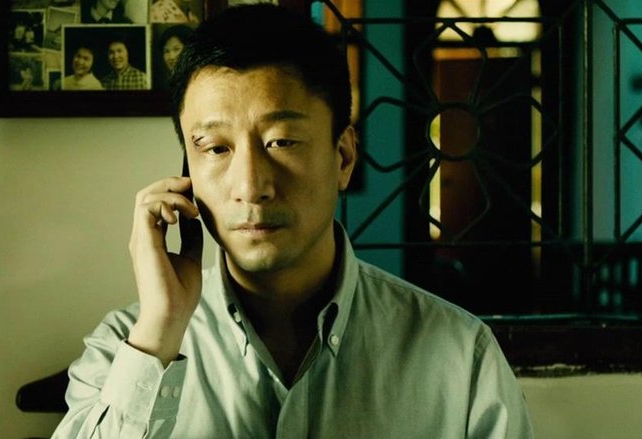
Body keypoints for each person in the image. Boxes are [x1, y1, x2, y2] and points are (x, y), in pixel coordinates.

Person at [51, 4, 534, 438]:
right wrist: (161, 331)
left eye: (281, 142)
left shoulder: (461, 357)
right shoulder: (127, 345)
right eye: (216, 149)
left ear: (343, 157)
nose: (250, 186)